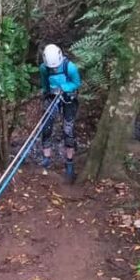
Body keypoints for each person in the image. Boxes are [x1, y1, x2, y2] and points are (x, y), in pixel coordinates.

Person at [39, 44, 81, 182]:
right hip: (52, 97)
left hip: (69, 98)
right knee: (46, 126)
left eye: (55, 67)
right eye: (52, 68)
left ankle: (69, 162)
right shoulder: (44, 69)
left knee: (68, 130)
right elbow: (45, 84)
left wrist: (64, 88)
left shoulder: (70, 67)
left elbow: (76, 83)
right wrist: (48, 93)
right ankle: (46, 158)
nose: (54, 69)